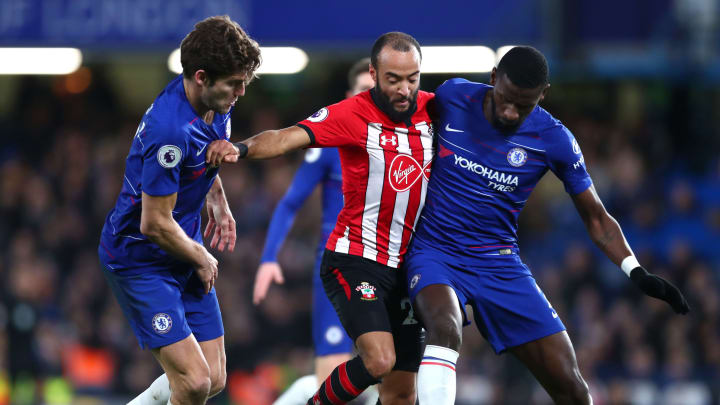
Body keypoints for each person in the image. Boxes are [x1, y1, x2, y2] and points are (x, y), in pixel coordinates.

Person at [404, 46, 690, 405]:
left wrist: (635, 271)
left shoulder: (554, 139)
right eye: (505, 98)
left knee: (572, 387)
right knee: (444, 328)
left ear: (544, 95)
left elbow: (597, 218)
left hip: (499, 264)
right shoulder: (452, 96)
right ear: (493, 78)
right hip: (434, 252)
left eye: (523, 106)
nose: (509, 112)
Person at [206, 32, 434, 405]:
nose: (404, 89)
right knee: (377, 360)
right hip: (355, 259)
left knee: (402, 392)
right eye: (393, 79)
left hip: (407, 268)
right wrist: (241, 148)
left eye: (412, 79)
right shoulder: (350, 114)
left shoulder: (435, 109)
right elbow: (284, 140)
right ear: (374, 75)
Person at [97, 16, 261, 405]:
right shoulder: (169, 132)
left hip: (178, 247)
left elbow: (204, 155)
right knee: (192, 382)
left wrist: (216, 198)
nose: (241, 92)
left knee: (214, 376)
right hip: (141, 259)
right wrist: (201, 256)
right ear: (201, 76)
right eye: (234, 83)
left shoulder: (212, 102)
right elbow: (153, 222)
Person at [254, 58, 378, 405]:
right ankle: (305, 390)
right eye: (362, 92)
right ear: (349, 96)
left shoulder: (404, 145)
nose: (369, 99)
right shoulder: (330, 145)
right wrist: (268, 258)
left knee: (392, 373)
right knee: (332, 380)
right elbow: (290, 202)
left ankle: (302, 390)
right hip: (337, 265)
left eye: (375, 92)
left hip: (386, 265)